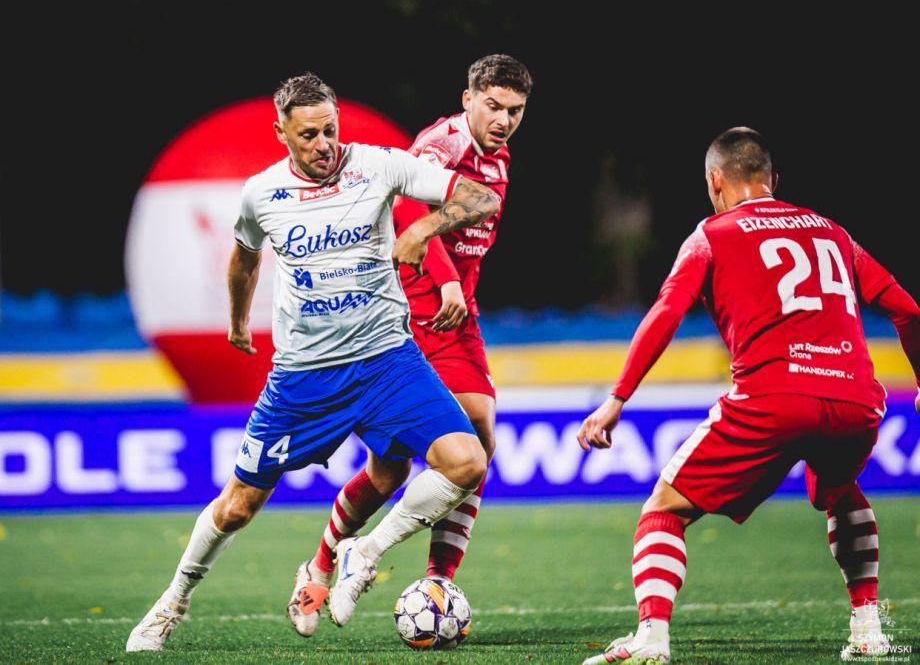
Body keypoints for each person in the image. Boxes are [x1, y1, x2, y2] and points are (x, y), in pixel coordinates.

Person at [125, 72, 501, 652]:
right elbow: (244, 258)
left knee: (468, 461)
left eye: (330, 130)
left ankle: (362, 552)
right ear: (281, 133)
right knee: (238, 505)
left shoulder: (379, 165)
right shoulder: (262, 193)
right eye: (308, 135)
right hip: (305, 376)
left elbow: (481, 198)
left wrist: (425, 227)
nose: (324, 144)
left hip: (387, 362)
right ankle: (171, 602)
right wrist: (237, 319)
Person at [579, 127, 919, 664]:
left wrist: (616, 398)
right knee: (840, 491)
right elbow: (907, 310)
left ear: (715, 181)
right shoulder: (833, 231)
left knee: (663, 509)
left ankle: (651, 639)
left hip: (772, 398)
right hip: (856, 400)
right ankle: (868, 629)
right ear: (773, 180)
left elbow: (666, 313)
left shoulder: (711, 235)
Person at [287, 54, 532, 637]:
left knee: (479, 441)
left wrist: (460, 289)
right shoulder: (440, 145)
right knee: (389, 469)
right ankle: (321, 565)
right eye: (493, 106)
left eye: (515, 110)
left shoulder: (499, 157)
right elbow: (406, 204)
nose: (503, 120)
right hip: (404, 316)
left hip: (456, 319)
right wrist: (445, 277)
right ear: (468, 99)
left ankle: (431, 578)